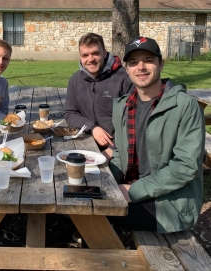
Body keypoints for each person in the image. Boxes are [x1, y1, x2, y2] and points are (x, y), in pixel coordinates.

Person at [109, 36, 205, 233]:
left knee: (92, 213)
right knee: (77, 197)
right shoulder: (123, 106)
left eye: (148, 60)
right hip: (132, 188)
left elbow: (185, 166)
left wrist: (131, 191)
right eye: (134, 62)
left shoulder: (185, 105)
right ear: (126, 69)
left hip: (168, 204)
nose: (141, 67)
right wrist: (105, 179)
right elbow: (120, 153)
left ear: (161, 64)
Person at [63, 33, 133, 159]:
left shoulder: (124, 78)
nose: (90, 59)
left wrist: (112, 150)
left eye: (95, 53)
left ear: (104, 53)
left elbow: (133, 121)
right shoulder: (76, 79)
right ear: (80, 57)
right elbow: (70, 113)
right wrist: (93, 128)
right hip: (85, 143)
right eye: (85, 55)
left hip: (118, 151)